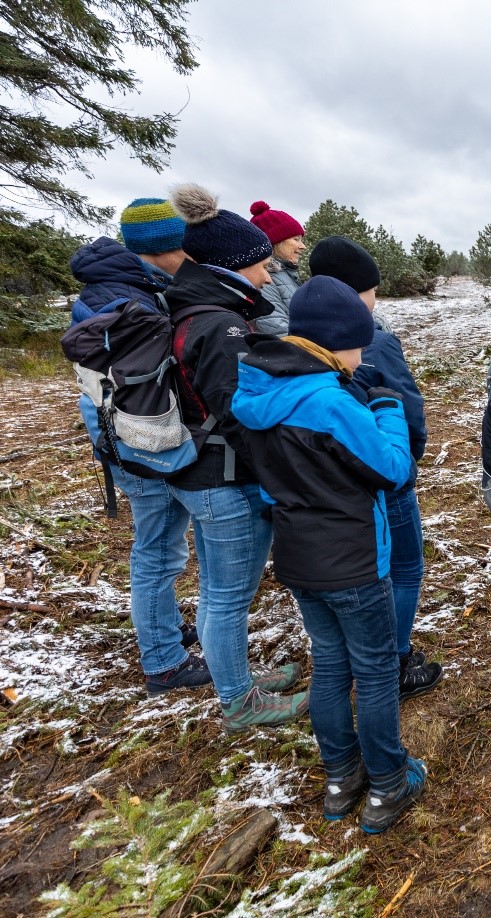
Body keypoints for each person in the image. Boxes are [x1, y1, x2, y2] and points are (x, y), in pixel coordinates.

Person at [233, 274, 426, 833]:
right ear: (336, 340)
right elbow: (393, 470)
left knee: (330, 666)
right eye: (358, 343)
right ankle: (389, 783)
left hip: (299, 555)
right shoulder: (326, 402)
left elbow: (267, 486)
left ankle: (341, 777)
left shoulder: (259, 391)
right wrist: (386, 409)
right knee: (374, 670)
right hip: (356, 561)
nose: (362, 354)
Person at [165, 183, 308, 732]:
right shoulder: (221, 325)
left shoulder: (199, 309)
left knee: (220, 591)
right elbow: (239, 415)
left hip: (203, 470)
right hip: (222, 477)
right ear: (230, 265)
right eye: (259, 265)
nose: (268, 276)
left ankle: (239, 678)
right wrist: (282, 472)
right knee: (226, 595)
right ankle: (237, 700)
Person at [68, 199, 206, 694]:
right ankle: (164, 661)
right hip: (140, 441)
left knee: (159, 545)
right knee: (159, 551)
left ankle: (161, 628)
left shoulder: (114, 286)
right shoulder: (133, 301)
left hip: (115, 432)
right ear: (171, 244)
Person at [307, 235, 442, 700]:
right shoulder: (375, 342)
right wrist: (411, 457)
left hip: (329, 487)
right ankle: (396, 659)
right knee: (404, 567)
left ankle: (358, 658)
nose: (376, 297)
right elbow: (408, 406)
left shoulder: (298, 339)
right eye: (371, 288)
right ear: (354, 292)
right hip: (384, 474)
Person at [248, 201, 306, 337]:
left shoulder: (285, 275)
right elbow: (277, 330)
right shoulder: (264, 279)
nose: (302, 246)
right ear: (276, 242)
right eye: (296, 239)